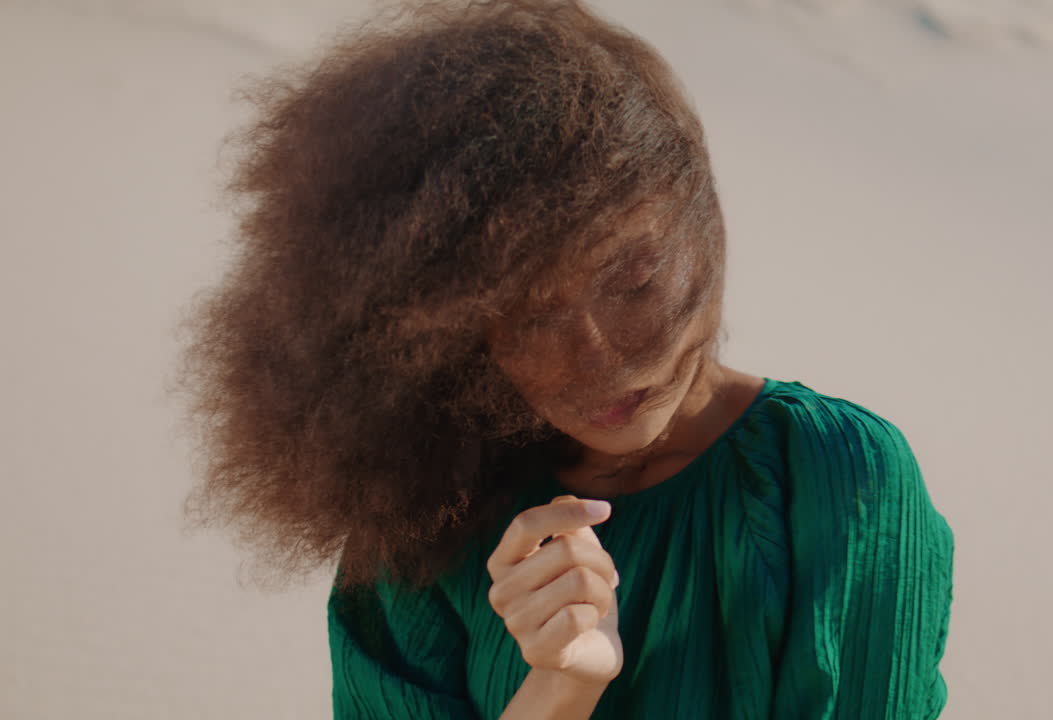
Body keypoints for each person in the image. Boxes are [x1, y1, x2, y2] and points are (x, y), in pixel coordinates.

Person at [173, 1, 954, 718]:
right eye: (529, 317)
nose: (600, 358)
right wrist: (561, 686)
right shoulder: (419, 528)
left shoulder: (837, 477)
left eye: (635, 281)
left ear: (707, 230)